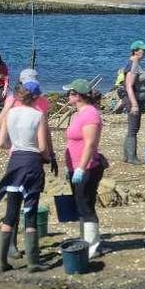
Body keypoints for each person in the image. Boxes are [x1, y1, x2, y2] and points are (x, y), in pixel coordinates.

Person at [0, 81, 52, 273]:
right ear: (35, 97)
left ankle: (2, 262)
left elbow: (1, 143)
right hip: (32, 162)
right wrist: (47, 158)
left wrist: (15, 148)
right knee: (30, 212)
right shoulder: (38, 116)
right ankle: (33, 262)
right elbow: (42, 147)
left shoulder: (10, 114)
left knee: (10, 213)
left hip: (15, 162)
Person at [63, 79, 106, 259]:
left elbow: (90, 144)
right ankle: (85, 241)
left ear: (78, 96)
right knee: (81, 205)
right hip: (76, 166)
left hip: (87, 167)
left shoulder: (90, 114)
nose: (67, 96)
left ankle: (92, 247)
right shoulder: (80, 113)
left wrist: (81, 167)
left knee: (86, 206)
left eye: (70, 93)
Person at [120, 40, 145, 164]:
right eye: (143, 50)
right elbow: (129, 85)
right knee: (133, 128)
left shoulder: (135, 63)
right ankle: (132, 157)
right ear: (136, 51)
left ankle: (127, 156)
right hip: (132, 100)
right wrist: (134, 104)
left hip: (134, 99)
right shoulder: (133, 65)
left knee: (132, 128)